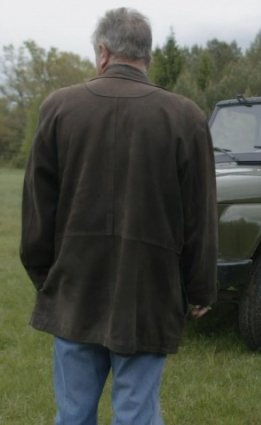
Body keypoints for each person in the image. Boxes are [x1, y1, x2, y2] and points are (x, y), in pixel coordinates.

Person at [19, 8, 217, 424]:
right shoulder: (185, 117)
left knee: (73, 414)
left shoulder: (58, 107)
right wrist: (199, 288)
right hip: (148, 292)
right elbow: (200, 217)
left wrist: (49, 279)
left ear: (103, 52)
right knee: (137, 415)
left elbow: (38, 212)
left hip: (74, 289)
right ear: (146, 56)